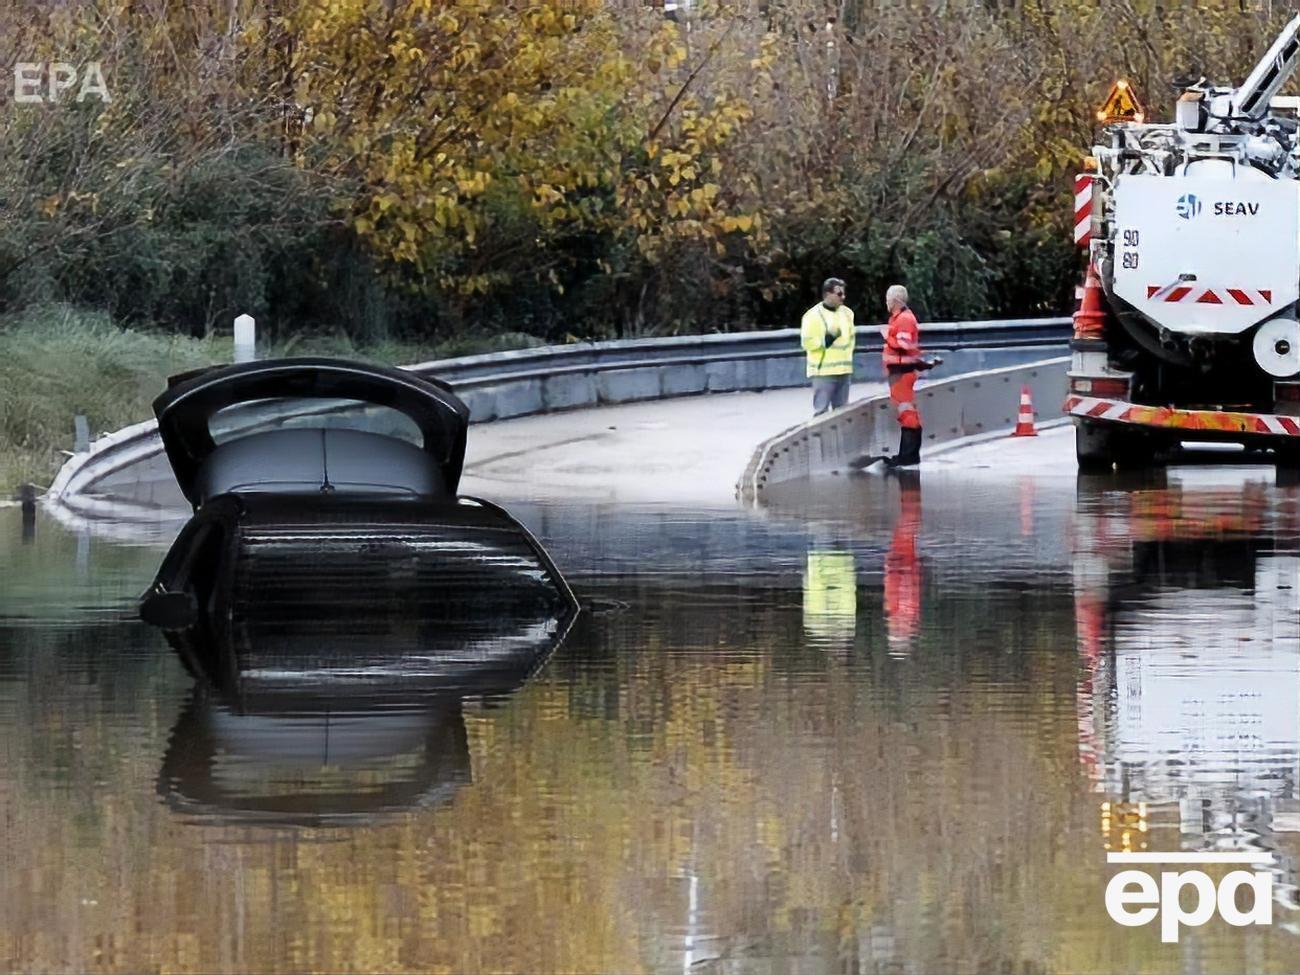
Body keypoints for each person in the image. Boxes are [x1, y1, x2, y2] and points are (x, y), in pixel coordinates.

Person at [882, 284, 928, 466]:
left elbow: (904, 344)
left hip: (902, 373)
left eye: (888, 298)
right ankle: (907, 455)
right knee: (906, 411)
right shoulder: (899, 318)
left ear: (895, 300)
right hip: (898, 372)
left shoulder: (904, 319)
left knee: (907, 413)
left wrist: (887, 336)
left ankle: (907, 456)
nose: (886, 302)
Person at [800, 277, 855, 415]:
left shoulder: (848, 313)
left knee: (842, 413)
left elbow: (851, 339)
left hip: (844, 370)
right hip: (823, 371)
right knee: (821, 412)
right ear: (827, 294)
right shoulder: (812, 315)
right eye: (839, 294)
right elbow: (806, 342)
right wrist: (825, 341)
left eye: (843, 293)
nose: (843, 297)